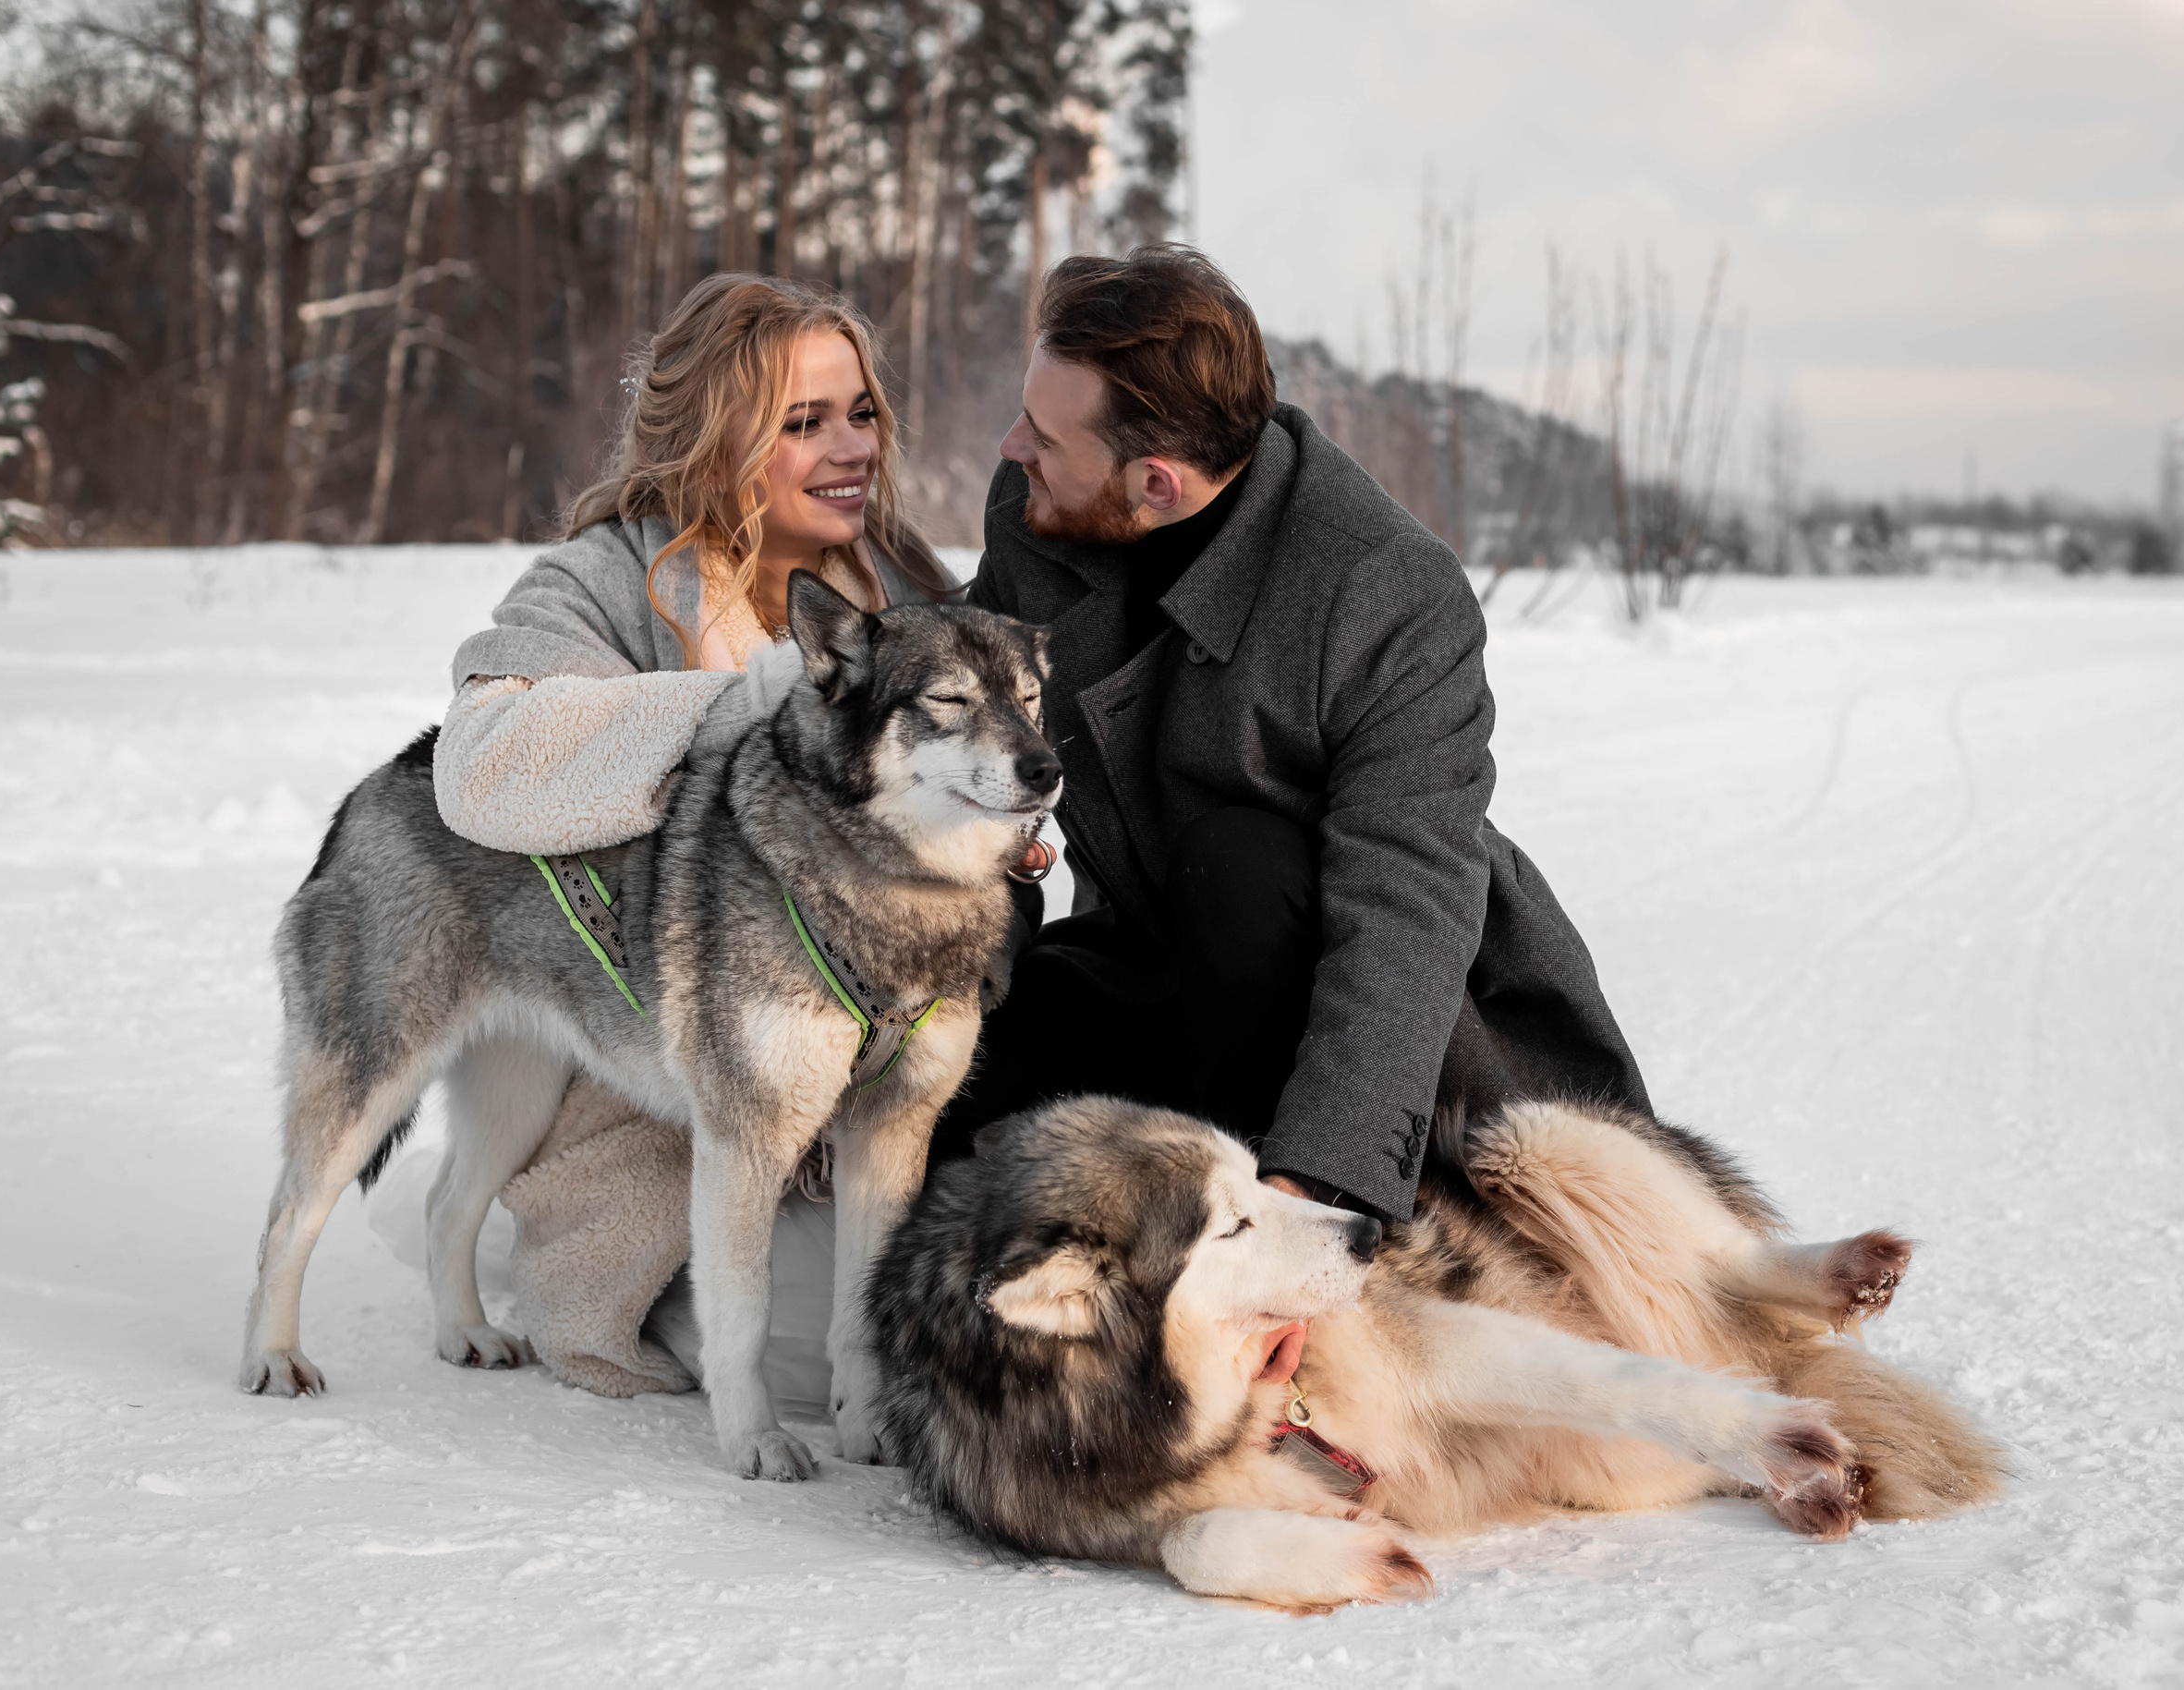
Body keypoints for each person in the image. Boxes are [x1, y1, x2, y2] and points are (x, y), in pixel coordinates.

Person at [935, 245, 1650, 1222]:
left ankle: (1243, 1218)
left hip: (1368, 1009)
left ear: (1156, 484)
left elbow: (1403, 910)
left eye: (1045, 435)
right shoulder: (1042, 505)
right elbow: (977, 741)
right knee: (943, 1093)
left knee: (1241, 853)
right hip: (1154, 958)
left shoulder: (1385, 590)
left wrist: (1317, 1188)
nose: (1013, 444)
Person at [431, 273, 957, 1403]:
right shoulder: (610, 577)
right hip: (659, 1094)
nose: (850, 447)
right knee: (809, 1361)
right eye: (802, 423)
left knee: (944, 1310)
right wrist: (742, 705)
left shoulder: (906, 583)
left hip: (862, 1071)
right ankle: (596, 1265)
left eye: (860, 412)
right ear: (714, 440)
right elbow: (486, 763)